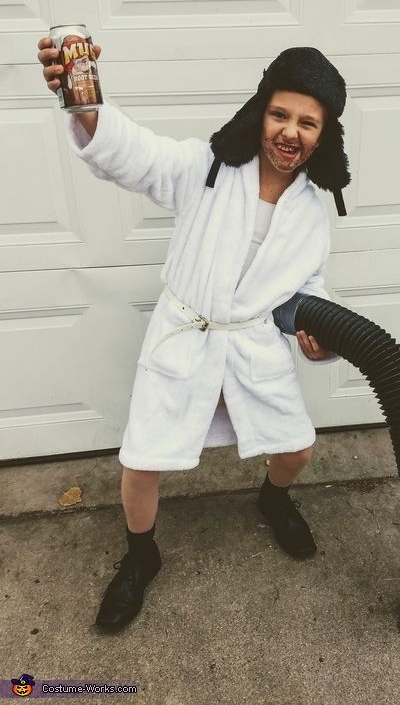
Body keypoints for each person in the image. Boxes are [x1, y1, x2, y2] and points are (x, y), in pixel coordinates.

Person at [37, 39, 351, 632]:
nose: (290, 132)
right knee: (142, 462)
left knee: (297, 449)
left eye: (307, 123)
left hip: (254, 342)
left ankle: (273, 498)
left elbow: (311, 285)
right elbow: (135, 153)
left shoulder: (312, 210)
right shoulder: (206, 167)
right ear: (261, 111)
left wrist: (322, 334)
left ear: (324, 133)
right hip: (186, 335)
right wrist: (82, 104)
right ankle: (141, 555)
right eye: (280, 114)